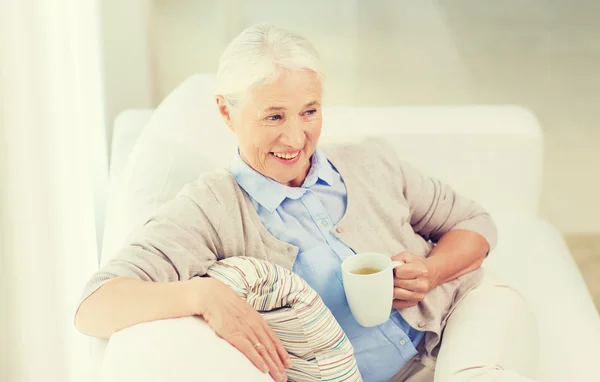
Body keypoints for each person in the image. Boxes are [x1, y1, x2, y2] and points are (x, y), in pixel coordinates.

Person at [75, 24, 539, 382]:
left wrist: (432, 271)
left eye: (309, 112)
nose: (296, 138)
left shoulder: (368, 161)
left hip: (459, 322)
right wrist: (203, 294)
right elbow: (93, 307)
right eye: (274, 115)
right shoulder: (210, 208)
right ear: (226, 112)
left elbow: (475, 224)